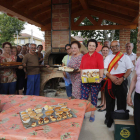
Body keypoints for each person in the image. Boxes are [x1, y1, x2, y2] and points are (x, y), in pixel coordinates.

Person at [104, 40, 133, 127]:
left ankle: (121, 120)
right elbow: (105, 70)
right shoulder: (108, 57)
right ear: (110, 48)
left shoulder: (125, 57)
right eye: (112, 46)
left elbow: (129, 69)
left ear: (119, 46)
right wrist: (111, 77)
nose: (114, 48)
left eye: (116, 46)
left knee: (121, 101)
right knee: (109, 101)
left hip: (122, 81)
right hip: (110, 80)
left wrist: (123, 78)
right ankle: (109, 118)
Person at [80, 39, 104, 122]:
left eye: (93, 46)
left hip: (95, 81)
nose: (91, 47)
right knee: (83, 98)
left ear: (96, 47)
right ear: (87, 46)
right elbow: (81, 69)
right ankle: (82, 113)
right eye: (90, 45)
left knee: (94, 98)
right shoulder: (84, 56)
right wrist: (81, 78)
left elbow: (101, 68)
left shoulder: (99, 56)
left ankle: (92, 114)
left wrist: (100, 78)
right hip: (85, 81)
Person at [127, 57, 140, 140]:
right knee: (137, 121)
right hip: (138, 95)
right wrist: (129, 95)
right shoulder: (139, 59)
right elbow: (134, 79)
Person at [97, 46, 109, 112]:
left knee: (106, 91)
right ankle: (102, 102)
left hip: (107, 77)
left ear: (108, 51)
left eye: (106, 50)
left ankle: (105, 105)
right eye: (103, 50)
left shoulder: (109, 58)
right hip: (101, 77)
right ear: (101, 51)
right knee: (102, 90)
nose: (105, 51)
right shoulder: (100, 58)